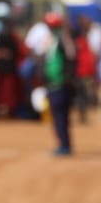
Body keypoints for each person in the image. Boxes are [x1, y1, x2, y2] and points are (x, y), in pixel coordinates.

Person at [40, 12, 77, 157]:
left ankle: (65, 146)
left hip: (61, 85)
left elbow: (71, 59)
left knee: (61, 116)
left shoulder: (63, 39)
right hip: (52, 84)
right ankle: (62, 143)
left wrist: (66, 79)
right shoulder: (52, 40)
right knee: (56, 116)